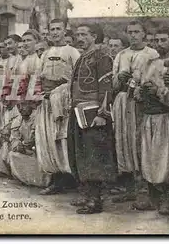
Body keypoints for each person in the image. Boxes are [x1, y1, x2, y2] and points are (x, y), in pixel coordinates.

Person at [132, 26, 169, 215]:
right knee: (148, 156)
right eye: (156, 40)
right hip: (148, 116)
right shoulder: (149, 63)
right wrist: (140, 92)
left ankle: (168, 198)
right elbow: (137, 87)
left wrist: (159, 92)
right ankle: (152, 196)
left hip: (165, 117)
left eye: (163, 40)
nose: (159, 44)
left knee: (164, 157)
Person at [68, 24, 116, 214]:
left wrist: (102, 114)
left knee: (94, 157)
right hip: (78, 112)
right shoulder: (82, 57)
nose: (80, 38)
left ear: (94, 36)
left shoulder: (102, 57)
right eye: (78, 34)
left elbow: (106, 87)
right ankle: (86, 194)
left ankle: (95, 200)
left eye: (84, 34)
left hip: (93, 114)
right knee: (80, 154)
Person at [111, 21, 159, 203]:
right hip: (122, 100)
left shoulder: (151, 54)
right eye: (130, 32)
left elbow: (154, 79)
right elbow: (113, 82)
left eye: (137, 32)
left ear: (144, 34)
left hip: (141, 102)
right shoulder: (122, 54)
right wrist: (119, 78)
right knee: (123, 140)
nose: (133, 35)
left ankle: (145, 188)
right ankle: (129, 186)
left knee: (139, 140)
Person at [36, 18, 80, 195]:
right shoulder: (46, 53)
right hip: (47, 101)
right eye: (52, 29)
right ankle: (55, 178)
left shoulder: (72, 52)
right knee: (48, 138)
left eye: (58, 29)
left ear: (65, 30)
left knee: (62, 139)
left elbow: (76, 78)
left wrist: (60, 91)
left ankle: (69, 178)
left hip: (63, 101)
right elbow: (40, 77)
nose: (55, 32)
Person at [8, 100, 49, 187]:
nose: (21, 109)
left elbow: (37, 138)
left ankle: (43, 181)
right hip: (27, 150)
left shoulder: (38, 117)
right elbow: (14, 138)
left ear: (31, 104)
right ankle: (27, 180)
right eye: (18, 106)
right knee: (12, 154)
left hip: (39, 151)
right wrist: (18, 145)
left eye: (23, 105)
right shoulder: (19, 120)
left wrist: (30, 145)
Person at [0, 88, 21, 176]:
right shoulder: (6, 112)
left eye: (6, 95)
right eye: (2, 96)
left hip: (17, 139)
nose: (4, 98)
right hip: (7, 138)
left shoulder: (18, 109)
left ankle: (3, 171)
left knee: (6, 145)